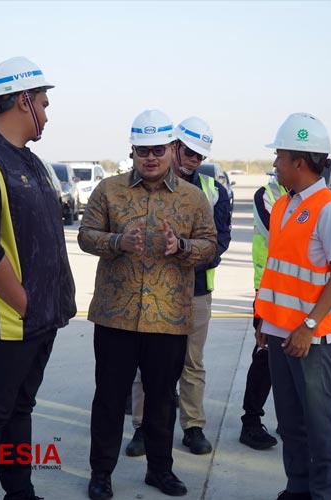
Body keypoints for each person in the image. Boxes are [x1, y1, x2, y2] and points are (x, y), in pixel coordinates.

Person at [0, 56, 76, 500]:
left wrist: (48, 305)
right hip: (6, 323)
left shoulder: (30, 161)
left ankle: (19, 493)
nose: (47, 111)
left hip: (39, 320)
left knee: (20, 408)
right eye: (43, 101)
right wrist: (23, 303)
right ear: (24, 100)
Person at [80, 109, 217, 499]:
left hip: (168, 319)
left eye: (158, 149)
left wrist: (183, 247)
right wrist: (116, 242)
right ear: (132, 151)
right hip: (115, 317)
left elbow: (210, 244)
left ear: (173, 149)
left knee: (161, 402)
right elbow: (86, 235)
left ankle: (160, 470)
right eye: (142, 151)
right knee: (108, 400)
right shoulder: (109, 190)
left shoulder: (193, 198)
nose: (150, 158)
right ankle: (101, 473)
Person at [255, 113, 331, 500]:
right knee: (290, 422)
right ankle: (297, 488)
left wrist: (309, 326)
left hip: (309, 338)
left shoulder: (329, 209)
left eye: (280, 156)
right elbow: (276, 270)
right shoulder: (284, 206)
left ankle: (322, 493)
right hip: (279, 333)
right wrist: (264, 319)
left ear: (299, 161)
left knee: (319, 422)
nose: (275, 163)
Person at [125, 116, 230, 457]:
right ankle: (142, 428)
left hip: (195, 291)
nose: (192, 160)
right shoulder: (147, 184)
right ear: (173, 147)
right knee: (145, 363)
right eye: (187, 152)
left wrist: (183, 256)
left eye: (199, 156)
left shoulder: (214, 191)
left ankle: (193, 426)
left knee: (192, 362)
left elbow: (219, 242)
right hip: (150, 292)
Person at [238, 175, 286, 451]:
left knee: (300, 357)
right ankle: (251, 421)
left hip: (304, 291)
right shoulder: (266, 194)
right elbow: (279, 232)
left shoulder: (319, 195)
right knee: (265, 355)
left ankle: (291, 418)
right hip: (268, 288)